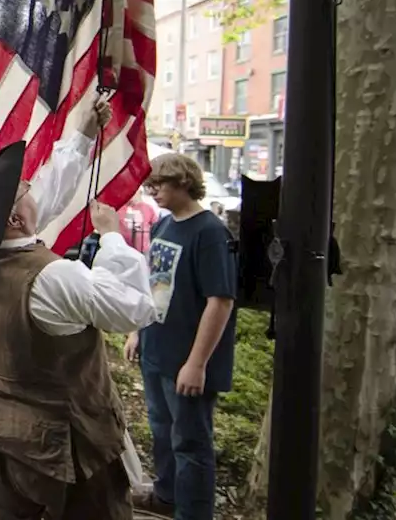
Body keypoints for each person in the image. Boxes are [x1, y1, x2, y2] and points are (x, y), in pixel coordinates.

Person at [0, 98, 156, 519]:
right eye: (22, 188)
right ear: (13, 220)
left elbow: (46, 196)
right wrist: (113, 239)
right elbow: (134, 308)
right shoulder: (51, 277)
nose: (30, 186)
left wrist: (81, 134)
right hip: (65, 450)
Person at [126, 154, 238, 520]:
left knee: (190, 443)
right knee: (161, 430)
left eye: (159, 183)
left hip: (186, 363)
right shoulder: (163, 225)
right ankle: (165, 496)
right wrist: (136, 330)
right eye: (149, 184)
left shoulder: (210, 233)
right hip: (156, 353)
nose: (151, 190)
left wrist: (197, 363)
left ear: (184, 182)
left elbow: (220, 301)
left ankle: (192, 513)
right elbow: (152, 285)